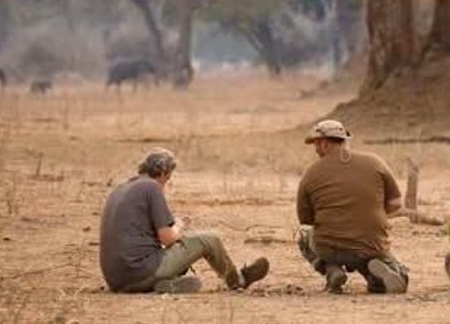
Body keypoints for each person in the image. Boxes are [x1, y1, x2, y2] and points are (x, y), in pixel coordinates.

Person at [98, 148, 269, 294]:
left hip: (117, 281)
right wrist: (179, 226)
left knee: (170, 251)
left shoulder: (119, 189)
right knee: (209, 240)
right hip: (142, 271)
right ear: (164, 173)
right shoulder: (151, 187)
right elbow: (167, 238)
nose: (165, 184)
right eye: (168, 179)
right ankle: (238, 280)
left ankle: (163, 284)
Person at [296, 119, 409, 294]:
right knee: (396, 273)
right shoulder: (375, 162)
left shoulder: (310, 172)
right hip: (370, 245)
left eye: (317, 145)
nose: (316, 150)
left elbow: (306, 219)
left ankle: (331, 269)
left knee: (304, 236)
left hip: (329, 247)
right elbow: (396, 205)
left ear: (324, 143)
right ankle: (375, 275)